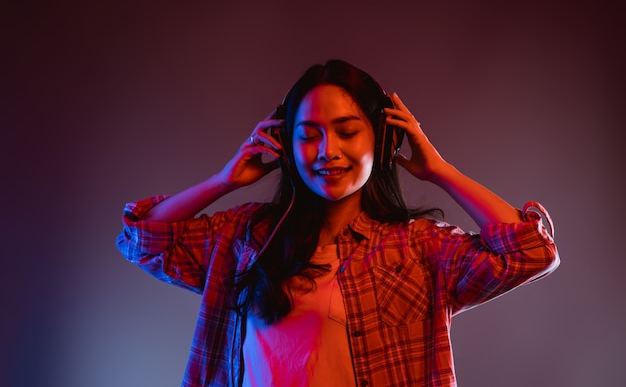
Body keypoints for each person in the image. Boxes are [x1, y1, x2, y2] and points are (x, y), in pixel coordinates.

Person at [116, 59, 559, 387]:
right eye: (309, 136)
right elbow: (142, 238)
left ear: (382, 142)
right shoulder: (244, 238)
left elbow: (531, 252)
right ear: (286, 147)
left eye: (347, 132)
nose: (327, 151)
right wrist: (224, 179)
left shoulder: (417, 249)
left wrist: (441, 171)